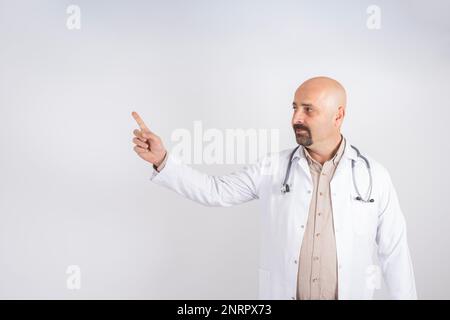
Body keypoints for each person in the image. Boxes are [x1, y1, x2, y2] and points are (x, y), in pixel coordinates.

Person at [131, 76, 417, 300]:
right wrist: (163, 161)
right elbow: (215, 191)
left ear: (338, 116)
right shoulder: (273, 168)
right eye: (294, 107)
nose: (296, 119)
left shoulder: (373, 176)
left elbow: (394, 252)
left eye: (308, 110)